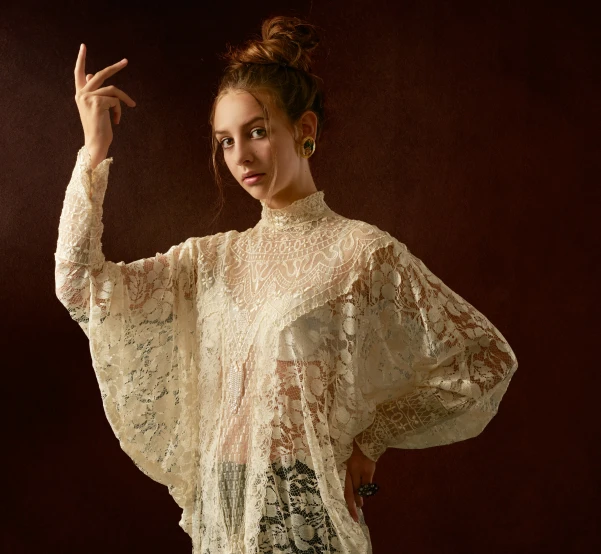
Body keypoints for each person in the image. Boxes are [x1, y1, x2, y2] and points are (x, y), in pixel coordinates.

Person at [55, 16, 518, 554]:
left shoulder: (361, 252)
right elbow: (80, 286)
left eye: (256, 131)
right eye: (225, 141)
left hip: (304, 511)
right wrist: (93, 150)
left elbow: (487, 360)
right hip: (220, 508)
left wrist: (372, 437)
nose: (241, 157)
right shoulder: (210, 260)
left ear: (306, 130)